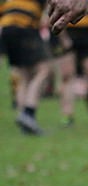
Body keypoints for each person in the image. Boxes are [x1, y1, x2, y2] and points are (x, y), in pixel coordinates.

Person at [1, 0, 51, 135]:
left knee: (24, 75)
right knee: (44, 70)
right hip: (25, 26)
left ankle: (24, 122)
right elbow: (45, 19)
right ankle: (29, 112)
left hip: (6, 28)